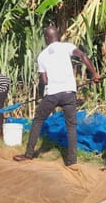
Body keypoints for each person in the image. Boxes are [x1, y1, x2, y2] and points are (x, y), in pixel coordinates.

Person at [14, 25, 100, 166]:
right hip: (69, 93)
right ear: (58, 36)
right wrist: (95, 74)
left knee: (38, 121)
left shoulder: (42, 56)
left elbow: (44, 80)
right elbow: (83, 56)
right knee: (71, 127)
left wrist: (43, 95)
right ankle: (72, 162)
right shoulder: (67, 47)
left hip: (53, 94)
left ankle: (28, 154)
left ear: (46, 38)